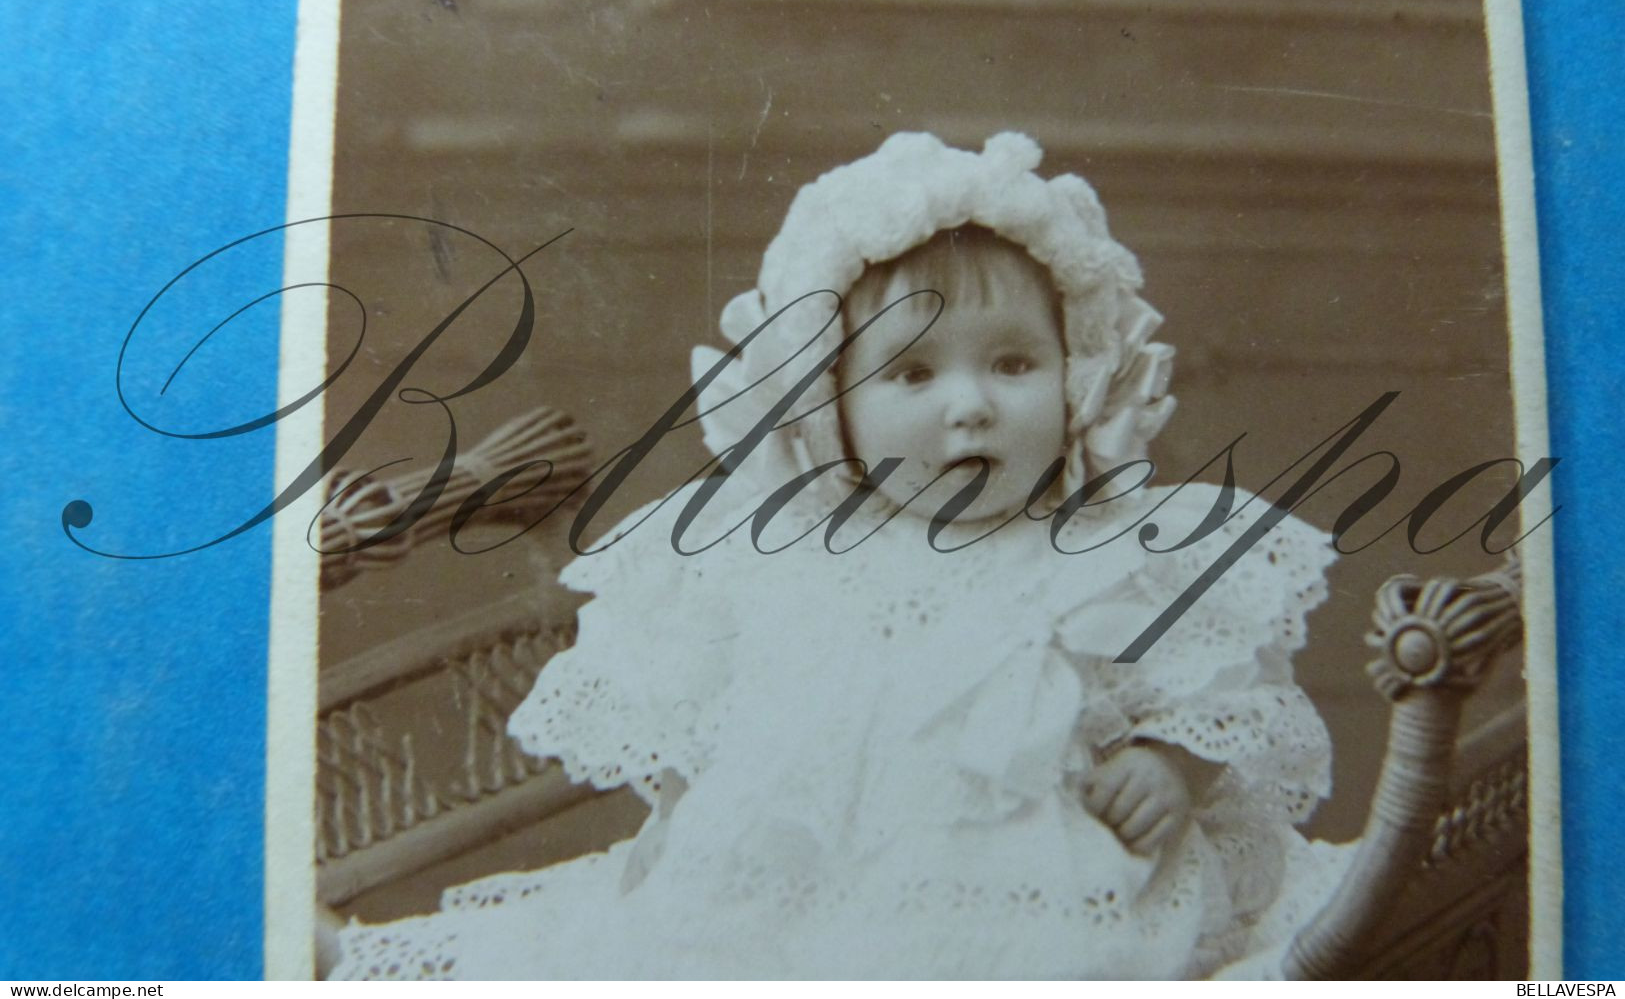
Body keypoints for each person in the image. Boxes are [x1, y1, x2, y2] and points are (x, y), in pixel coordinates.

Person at [334, 132, 1347, 980]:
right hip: (793, 897)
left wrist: (1167, 762)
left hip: (1042, 895)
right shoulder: (767, 547)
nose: (970, 404)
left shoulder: (1106, 538)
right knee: (636, 950)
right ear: (829, 409)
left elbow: (1213, 685)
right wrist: (691, 833)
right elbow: (700, 723)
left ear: (1076, 373)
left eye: (1012, 363)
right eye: (911, 371)